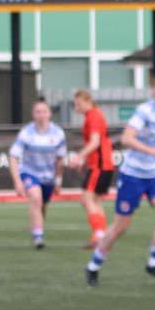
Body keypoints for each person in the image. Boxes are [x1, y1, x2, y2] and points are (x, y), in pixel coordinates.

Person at [86, 73, 155, 286]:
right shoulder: (144, 111)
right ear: (153, 90)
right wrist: (153, 151)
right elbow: (126, 138)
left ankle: (154, 263)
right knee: (120, 227)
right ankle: (94, 265)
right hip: (132, 175)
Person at [8, 99, 66, 250]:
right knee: (35, 197)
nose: (41, 115)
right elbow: (13, 156)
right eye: (38, 112)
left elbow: (60, 159)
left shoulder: (58, 133)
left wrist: (58, 181)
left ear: (50, 114)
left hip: (48, 176)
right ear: (33, 115)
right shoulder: (26, 133)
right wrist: (17, 182)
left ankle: (37, 227)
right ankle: (38, 237)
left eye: (44, 111)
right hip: (29, 172)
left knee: (43, 205)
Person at [66, 88, 115, 248]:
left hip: (100, 165)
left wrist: (79, 157)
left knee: (87, 199)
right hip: (103, 164)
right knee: (95, 200)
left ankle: (99, 235)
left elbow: (94, 143)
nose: (76, 108)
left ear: (88, 101)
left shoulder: (93, 115)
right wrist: (85, 161)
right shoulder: (94, 115)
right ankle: (102, 235)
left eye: (78, 104)